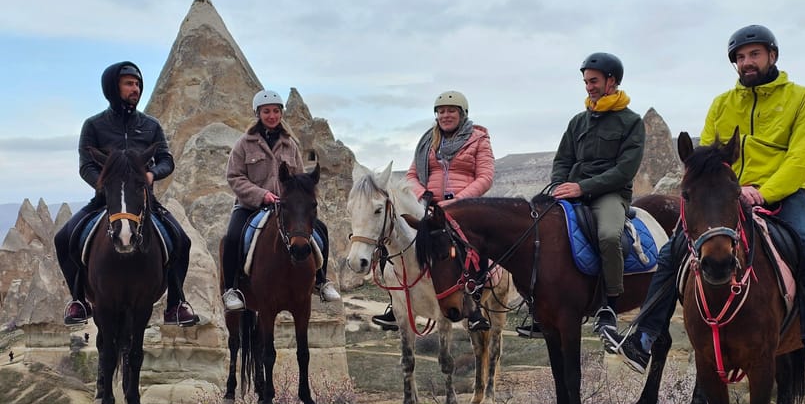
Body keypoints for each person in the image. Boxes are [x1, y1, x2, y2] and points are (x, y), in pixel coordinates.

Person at [609, 24, 805, 390]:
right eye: (740, 57)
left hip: (783, 194)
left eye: (754, 54)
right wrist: (730, 190)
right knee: (674, 251)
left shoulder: (802, 99)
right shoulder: (722, 104)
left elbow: (801, 158)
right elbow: (708, 160)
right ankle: (644, 336)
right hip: (728, 195)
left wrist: (764, 192)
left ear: (772, 56)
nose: (747, 62)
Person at [53, 61, 198, 326]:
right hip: (104, 201)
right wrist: (105, 185)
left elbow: (166, 159)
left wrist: (152, 174)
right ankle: (78, 300)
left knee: (182, 242)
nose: (136, 89)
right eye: (129, 83)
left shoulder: (150, 125)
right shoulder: (94, 125)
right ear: (113, 87)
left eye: (138, 84)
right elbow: (85, 165)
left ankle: (175, 303)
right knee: (64, 238)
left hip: (144, 202)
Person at [371, 90, 495, 332]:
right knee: (394, 242)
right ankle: (395, 303)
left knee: (473, 249)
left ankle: (475, 305)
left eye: (451, 111)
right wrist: (423, 195)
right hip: (429, 207)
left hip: (464, 207)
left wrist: (459, 201)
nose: (445, 115)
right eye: (441, 111)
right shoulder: (428, 142)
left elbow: (485, 177)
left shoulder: (478, 139)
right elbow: (412, 175)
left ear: (462, 114)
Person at [548, 52, 645, 342]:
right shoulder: (578, 122)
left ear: (611, 81)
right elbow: (562, 159)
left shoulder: (631, 122)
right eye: (586, 82)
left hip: (610, 194)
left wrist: (582, 188)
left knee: (609, 236)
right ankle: (540, 305)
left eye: (594, 81)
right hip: (572, 189)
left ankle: (610, 307)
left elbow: (625, 171)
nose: (588, 86)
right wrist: (557, 185)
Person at [220, 89, 341, 311]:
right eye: (267, 111)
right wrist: (261, 195)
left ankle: (321, 280)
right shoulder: (244, 144)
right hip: (250, 206)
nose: (272, 116)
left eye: (276, 111)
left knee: (320, 230)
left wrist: (296, 197)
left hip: (286, 207)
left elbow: (301, 178)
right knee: (232, 237)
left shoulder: (290, 144)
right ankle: (231, 289)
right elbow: (234, 177)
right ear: (258, 113)